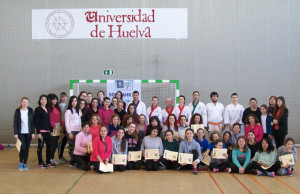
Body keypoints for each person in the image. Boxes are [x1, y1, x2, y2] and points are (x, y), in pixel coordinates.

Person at [13, 97, 35, 171]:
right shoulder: (17, 111)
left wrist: (33, 132)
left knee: (27, 149)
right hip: (20, 133)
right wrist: (15, 133)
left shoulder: (30, 110)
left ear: (28, 103)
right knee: (23, 148)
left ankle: (25, 163)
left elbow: (32, 123)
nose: (25, 103)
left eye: (26, 102)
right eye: (23, 102)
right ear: (21, 102)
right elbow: (15, 123)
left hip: (28, 133)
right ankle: (20, 163)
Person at [34, 94, 54, 168]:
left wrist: (51, 130)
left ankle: (48, 161)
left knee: (49, 145)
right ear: (40, 100)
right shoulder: (38, 109)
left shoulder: (47, 109)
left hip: (48, 131)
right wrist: (38, 132)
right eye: (42, 99)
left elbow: (49, 121)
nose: (44, 100)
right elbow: (36, 121)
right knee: (40, 146)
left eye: (45, 99)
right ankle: (40, 162)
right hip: (41, 132)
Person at [65, 96, 82, 167]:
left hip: (78, 131)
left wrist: (81, 131)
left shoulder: (79, 111)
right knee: (73, 147)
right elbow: (66, 123)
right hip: (71, 131)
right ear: (70, 102)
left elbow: (80, 122)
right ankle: (72, 161)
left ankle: (77, 161)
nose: (74, 102)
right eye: (72, 101)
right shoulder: (68, 111)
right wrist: (69, 132)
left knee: (78, 147)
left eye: (75, 101)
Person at [47, 93, 62, 165]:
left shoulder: (57, 107)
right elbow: (48, 118)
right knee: (53, 144)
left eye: (56, 99)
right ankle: (50, 158)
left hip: (58, 127)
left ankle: (52, 158)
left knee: (56, 144)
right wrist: (52, 124)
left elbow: (58, 117)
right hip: (52, 128)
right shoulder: (48, 108)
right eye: (53, 99)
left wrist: (61, 122)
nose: (55, 101)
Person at [58, 92, 68, 162]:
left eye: (65, 97)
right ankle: (60, 156)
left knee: (64, 141)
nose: (64, 98)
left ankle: (61, 155)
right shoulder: (60, 105)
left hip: (66, 125)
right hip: (62, 125)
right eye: (62, 97)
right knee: (61, 141)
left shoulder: (66, 105)